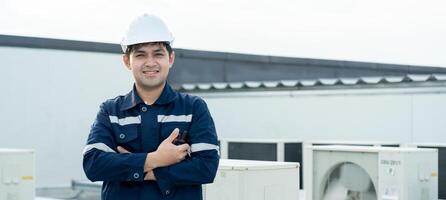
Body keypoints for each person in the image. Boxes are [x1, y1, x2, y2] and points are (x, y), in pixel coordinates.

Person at [82, 14, 220, 200]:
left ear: (170, 58)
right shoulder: (111, 111)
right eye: (140, 55)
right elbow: (93, 165)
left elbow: (207, 168)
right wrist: (157, 159)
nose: (150, 62)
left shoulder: (193, 108)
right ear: (126, 61)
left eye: (158, 53)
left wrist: (138, 170)